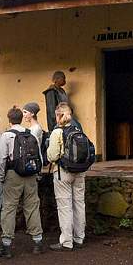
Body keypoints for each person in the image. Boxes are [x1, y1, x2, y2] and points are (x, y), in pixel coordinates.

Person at [0, 107, 44, 258]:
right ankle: (37, 241)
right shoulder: (30, 134)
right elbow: (38, 156)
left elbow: (2, 159)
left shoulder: (6, 135)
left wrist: (0, 177)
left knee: (9, 207)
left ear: (9, 119)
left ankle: (6, 244)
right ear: (21, 118)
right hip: (30, 174)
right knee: (32, 206)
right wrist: (37, 174)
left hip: (13, 174)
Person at [47, 103, 86, 251]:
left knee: (65, 207)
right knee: (79, 204)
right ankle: (79, 237)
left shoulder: (57, 132)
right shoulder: (78, 129)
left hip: (63, 172)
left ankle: (67, 241)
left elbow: (52, 155)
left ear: (58, 115)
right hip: (80, 172)